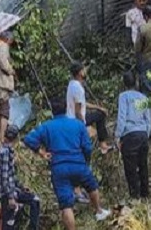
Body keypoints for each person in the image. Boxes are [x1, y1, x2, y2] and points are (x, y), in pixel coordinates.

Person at [23, 97, 112, 229]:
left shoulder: (46, 126)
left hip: (59, 168)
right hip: (78, 163)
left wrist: (41, 152)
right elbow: (87, 147)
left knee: (66, 205)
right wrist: (85, 161)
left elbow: (29, 139)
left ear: (52, 111)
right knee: (92, 185)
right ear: (66, 109)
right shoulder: (77, 124)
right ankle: (99, 211)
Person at [0, 125, 41, 230]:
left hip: (11, 190)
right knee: (8, 223)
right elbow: (5, 177)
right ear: (15, 139)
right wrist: (11, 197)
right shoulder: (4, 152)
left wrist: (21, 187)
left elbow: (11, 175)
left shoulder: (5, 151)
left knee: (34, 200)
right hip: (7, 193)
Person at [115, 71, 151, 199]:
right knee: (143, 165)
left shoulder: (124, 97)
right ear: (135, 82)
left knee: (130, 167)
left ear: (124, 83)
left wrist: (118, 136)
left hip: (130, 134)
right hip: (142, 133)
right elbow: (148, 119)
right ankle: (145, 194)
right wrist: (146, 133)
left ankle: (135, 196)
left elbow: (122, 117)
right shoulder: (143, 97)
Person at [66, 61, 111, 155]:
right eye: (83, 70)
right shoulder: (78, 88)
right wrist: (83, 125)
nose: (85, 71)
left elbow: (82, 103)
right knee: (100, 116)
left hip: (71, 118)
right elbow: (77, 110)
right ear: (79, 73)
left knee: (99, 113)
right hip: (77, 119)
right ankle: (103, 145)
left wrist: (98, 107)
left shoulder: (71, 84)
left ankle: (102, 145)